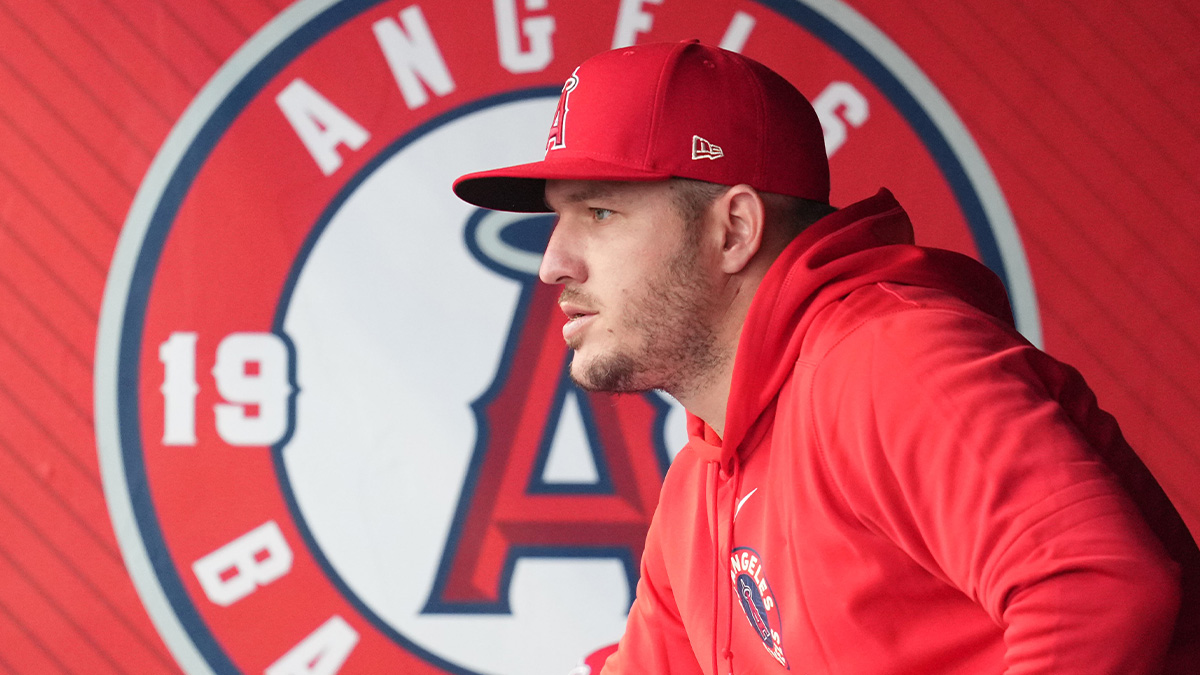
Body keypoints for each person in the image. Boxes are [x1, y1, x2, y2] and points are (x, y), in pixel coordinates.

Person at [453, 40, 1199, 674]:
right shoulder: (702, 485)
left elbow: (1099, 585)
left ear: (735, 229)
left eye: (600, 212)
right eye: (560, 218)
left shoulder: (888, 361)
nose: (553, 262)